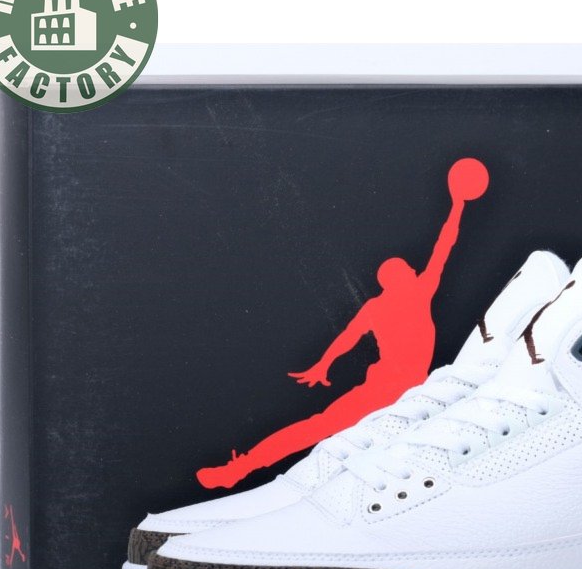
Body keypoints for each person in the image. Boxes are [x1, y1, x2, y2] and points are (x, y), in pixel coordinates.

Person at [196, 158, 489, 490]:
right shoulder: (412, 294)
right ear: (397, 279)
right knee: (321, 430)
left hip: (410, 392)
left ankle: (242, 469)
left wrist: (324, 365)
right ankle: (241, 469)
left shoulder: (394, 300)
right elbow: (443, 246)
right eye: (407, 270)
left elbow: (348, 338)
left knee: (324, 431)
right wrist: (457, 205)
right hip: (389, 390)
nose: (412, 271)